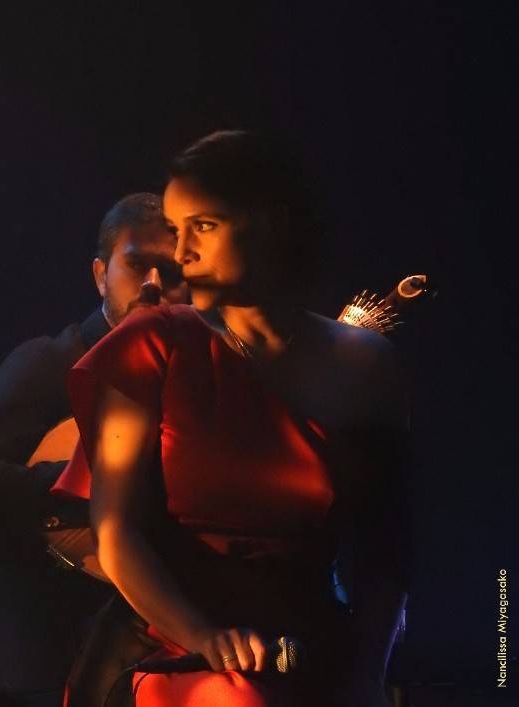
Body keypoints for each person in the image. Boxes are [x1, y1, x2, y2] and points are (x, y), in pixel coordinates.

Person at [55, 131, 414, 706]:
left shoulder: (365, 363)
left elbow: (388, 554)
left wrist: (367, 672)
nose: (181, 254)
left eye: (203, 226)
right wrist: (204, 635)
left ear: (270, 225)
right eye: (176, 230)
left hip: (307, 650)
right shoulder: (153, 343)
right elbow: (115, 531)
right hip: (169, 643)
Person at [0, 193, 189, 707]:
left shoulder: (196, 380)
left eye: (171, 272)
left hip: (166, 623)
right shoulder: (50, 363)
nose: (152, 285)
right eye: (136, 264)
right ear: (100, 276)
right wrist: (88, 482)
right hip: (55, 631)